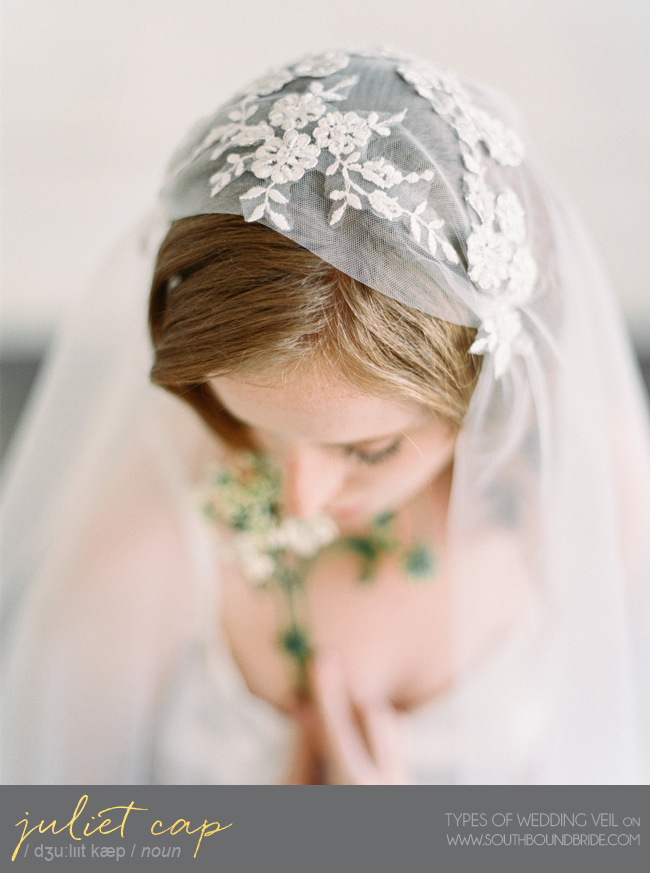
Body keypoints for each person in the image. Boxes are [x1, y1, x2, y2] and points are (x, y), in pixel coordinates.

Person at [2, 49, 649, 785]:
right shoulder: (134, 558)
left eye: (369, 450)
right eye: (246, 424)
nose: (301, 497)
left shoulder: (599, 491)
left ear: (488, 392)